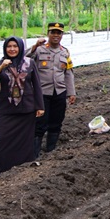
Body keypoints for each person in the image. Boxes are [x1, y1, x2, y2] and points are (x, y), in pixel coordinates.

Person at [0, 37, 45, 175]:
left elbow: (37, 85)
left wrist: (40, 106)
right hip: (7, 110)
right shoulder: (1, 63)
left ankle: (22, 169)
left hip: (26, 109)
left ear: (21, 48)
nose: (12, 49)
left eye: (15, 46)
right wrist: (0, 68)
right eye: (9, 46)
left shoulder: (29, 63)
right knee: (2, 140)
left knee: (25, 142)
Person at [29, 22, 76, 157]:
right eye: (53, 32)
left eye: (59, 33)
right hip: (42, 92)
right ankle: (34, 153)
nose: (56, 35)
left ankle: (51, 151)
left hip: (59, 92)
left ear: (62, 35)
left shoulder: (64, 52)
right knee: (40, 124)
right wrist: (34, 46)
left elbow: (68, 72)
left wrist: (71, 92)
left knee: (56, 122)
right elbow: (24, 58)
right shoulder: (39, 50)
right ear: (48, 34)